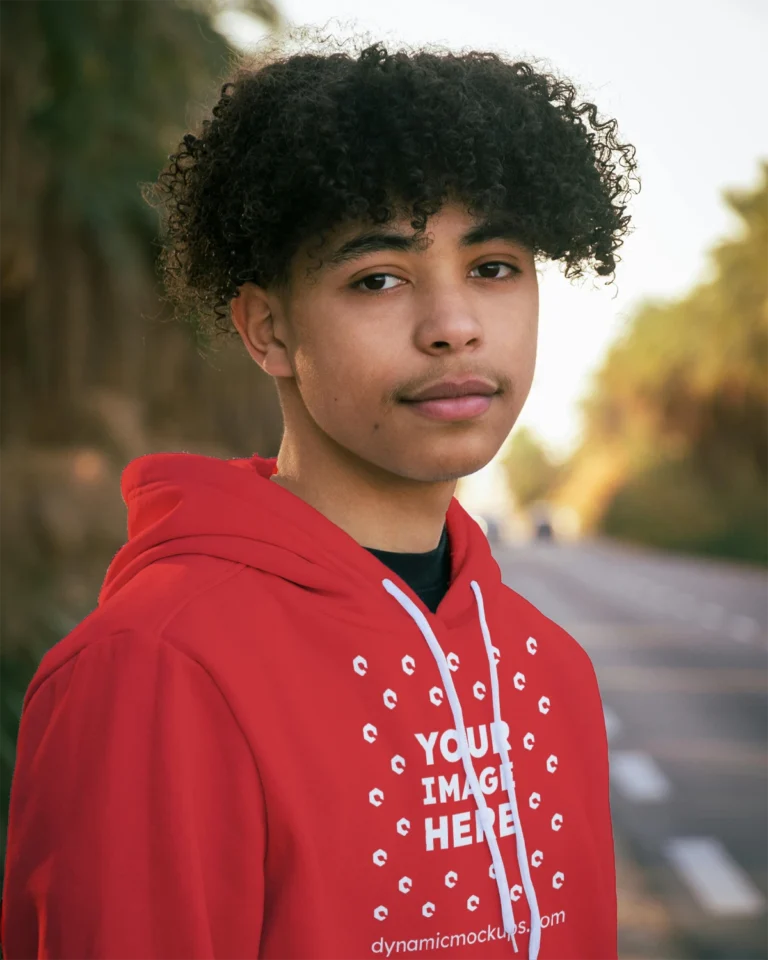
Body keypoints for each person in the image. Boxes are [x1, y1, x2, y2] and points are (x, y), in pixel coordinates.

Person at [1, 32, 639, 960]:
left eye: (493, 267)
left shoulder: (551, 671)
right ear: (269, 333)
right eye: (378, 278)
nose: (454, 326)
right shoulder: (156, 668)